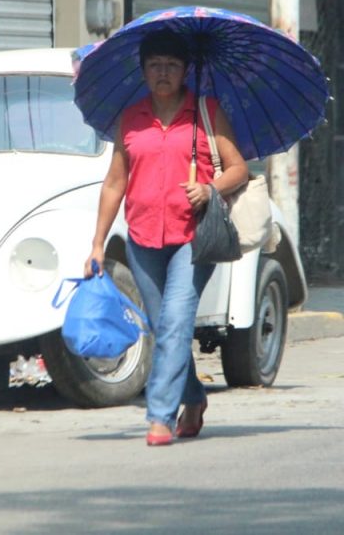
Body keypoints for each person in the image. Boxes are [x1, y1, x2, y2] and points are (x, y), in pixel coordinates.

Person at [84, 29, 248, 446]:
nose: (162, 72)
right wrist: (97, 244)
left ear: (185, 71)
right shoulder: (131, 119)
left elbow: (238, 169)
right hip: (142, 239)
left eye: (171, 66)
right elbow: (114, 183)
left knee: (175, 322)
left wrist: (211, 189)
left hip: (192, 238)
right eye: (155, 65)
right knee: (163, 327)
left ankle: (159, 416)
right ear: (142, 71)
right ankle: (194, 397)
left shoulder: (206, 112)